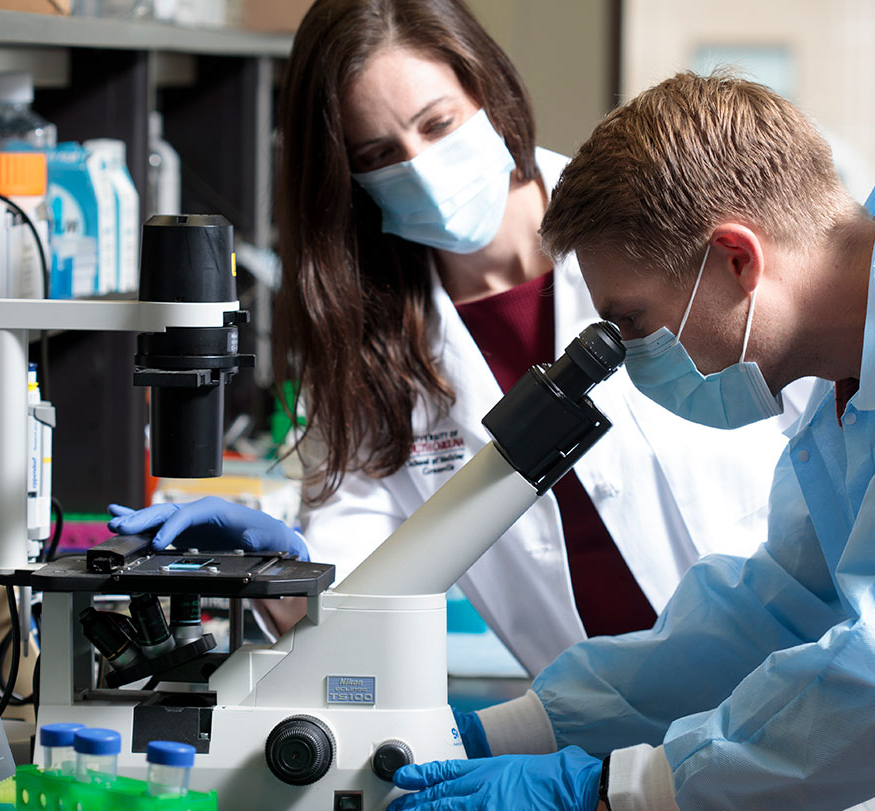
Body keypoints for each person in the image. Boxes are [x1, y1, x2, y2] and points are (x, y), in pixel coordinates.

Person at [388, 72, 875, 810]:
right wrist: (508, 731)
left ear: (736, 259)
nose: (631, 354)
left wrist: (618, 792)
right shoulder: (857, 386)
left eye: (633, 323)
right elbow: (771, 614)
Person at [112, 0, 808, 677]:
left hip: (800, 675)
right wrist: (274, 572)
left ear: (490, 94)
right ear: (349, 176)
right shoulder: (370, 346)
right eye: (380, 152)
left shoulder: (656, 229)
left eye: (438, 123)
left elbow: (832, 420)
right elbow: (359, 599)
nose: (419, 166)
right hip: (599, 730)